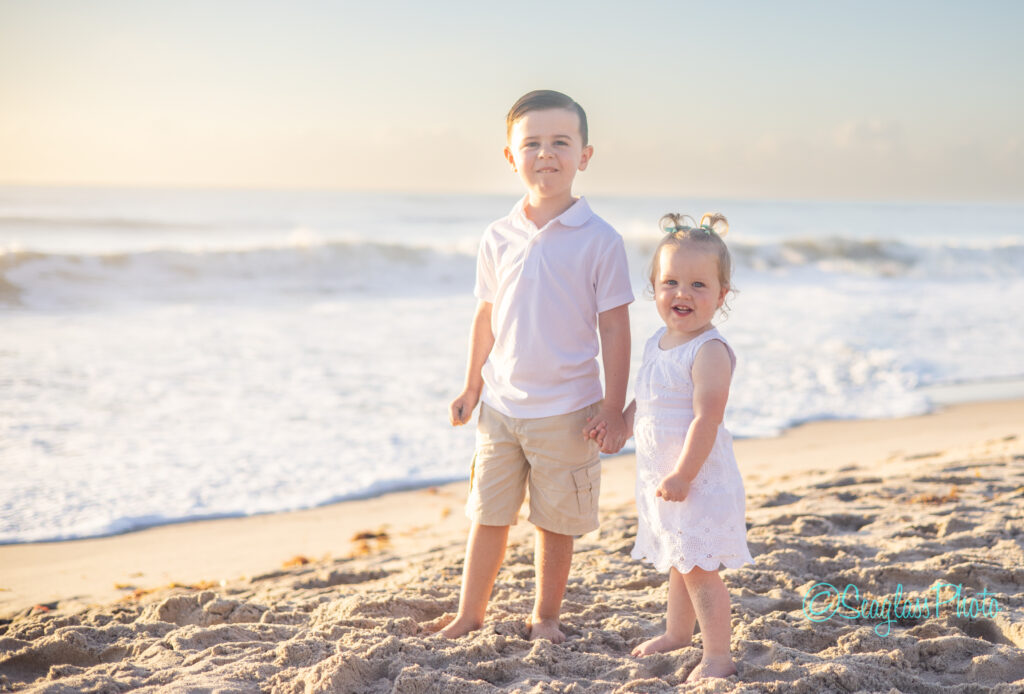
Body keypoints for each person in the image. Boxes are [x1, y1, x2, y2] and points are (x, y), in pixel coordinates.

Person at [440, 90, 634, 643]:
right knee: (488, 513)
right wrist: (471, 384)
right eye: (531, 144)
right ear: (510, 156)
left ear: (584, 155)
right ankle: (469, 615)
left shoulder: (601, 240)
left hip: (570, 410)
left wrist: (614, 408)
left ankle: (545, 617)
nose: (545, 154)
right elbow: (486, 315)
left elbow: (615, 328)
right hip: (500, 406)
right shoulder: (497, 235)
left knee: (556, 522)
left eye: (559, 143)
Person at [597, 213, 753, 681]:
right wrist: (622, 425)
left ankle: (719, 655)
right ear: (653, 287)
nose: (682, 293)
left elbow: (708, 418)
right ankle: (676, 634)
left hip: (696, 478)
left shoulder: (709, 351)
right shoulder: (657, 342)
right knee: (679, 560)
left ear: (722, 296)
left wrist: (684, 473)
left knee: (700, 569)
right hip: (664, 478)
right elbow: (646, 396)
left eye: (699, 285)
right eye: (671, 282)